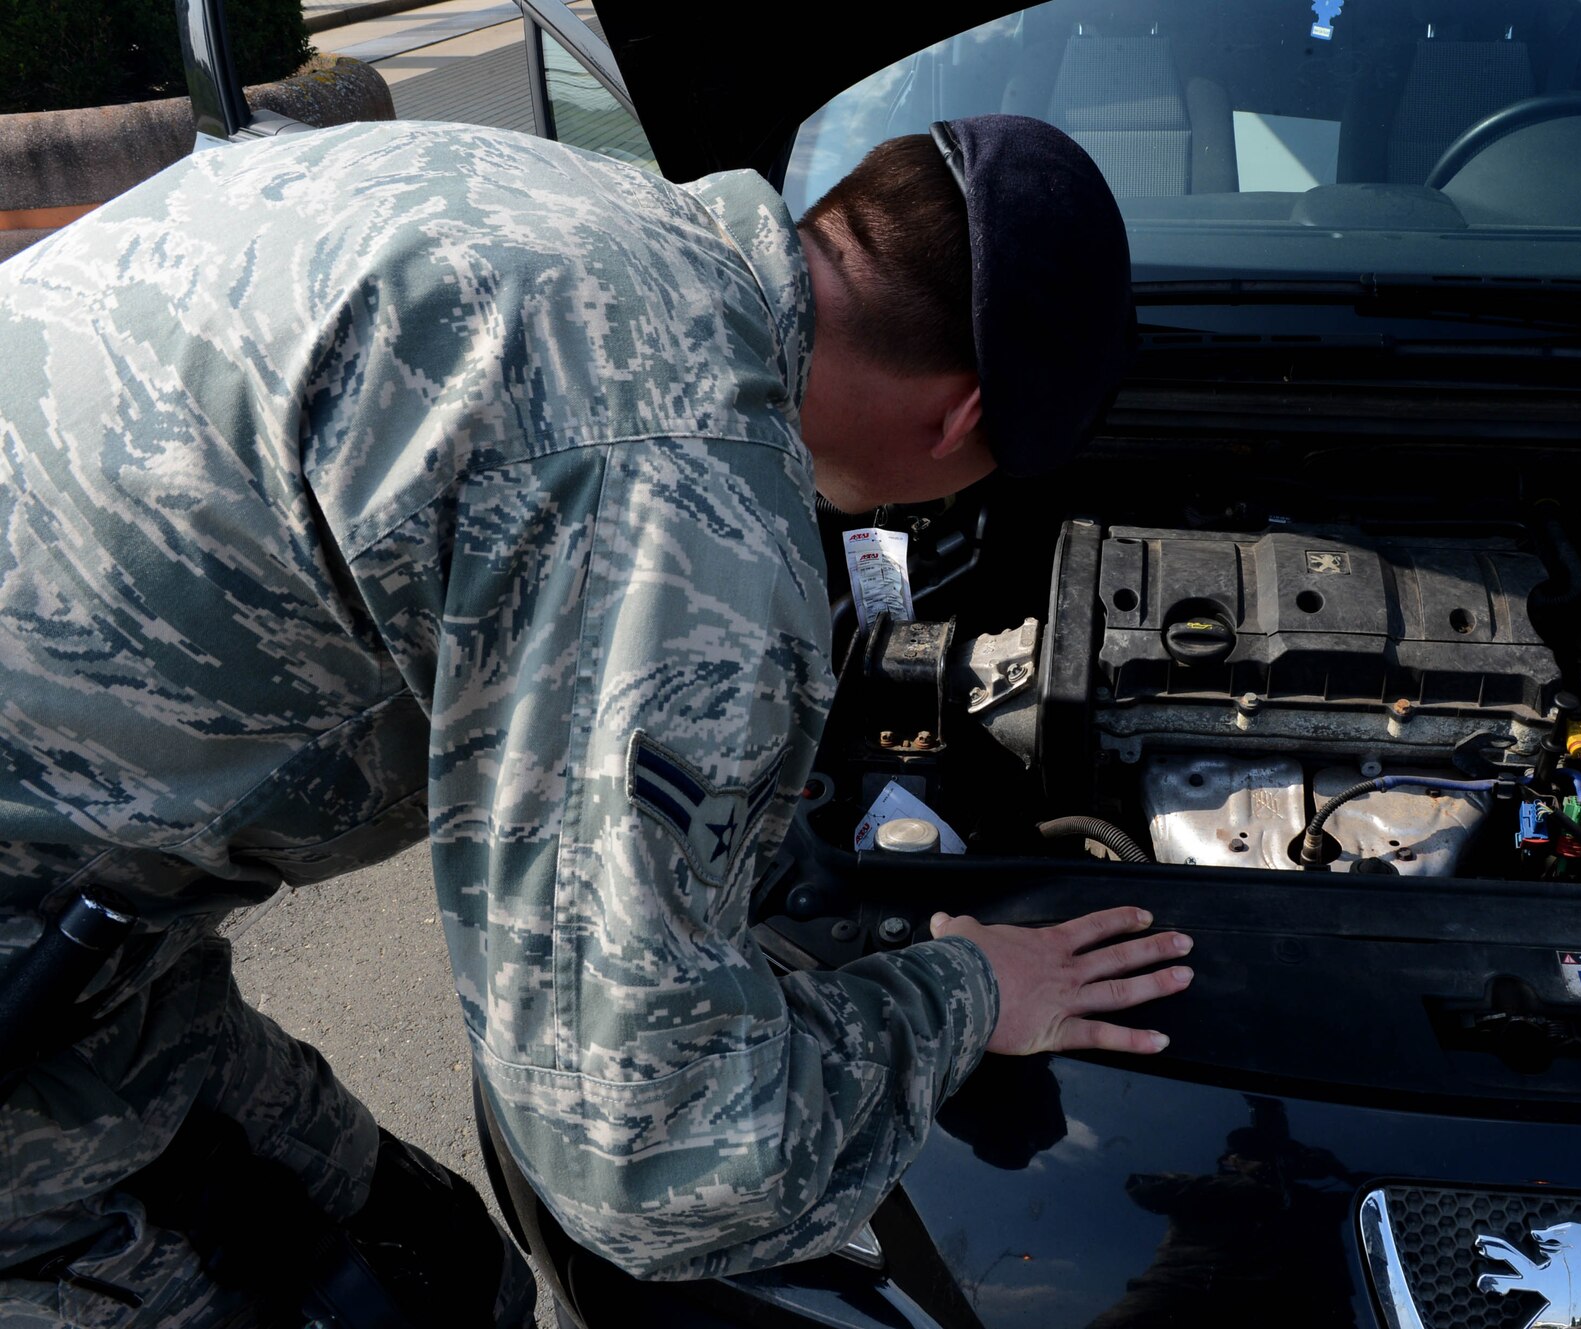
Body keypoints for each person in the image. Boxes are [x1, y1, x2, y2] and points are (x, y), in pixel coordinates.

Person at [0, 109, 1185, 1326]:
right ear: (956, 423)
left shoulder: (569, 202)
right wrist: (966, 993)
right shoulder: (675, 488)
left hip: (95, 935)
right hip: (23, 954)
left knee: (430, 1267)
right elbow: (651, 1156)